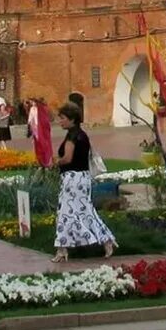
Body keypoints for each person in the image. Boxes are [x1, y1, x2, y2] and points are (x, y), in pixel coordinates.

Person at [52, 102, 116, 261]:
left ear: (72, 119)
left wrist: (53, 162)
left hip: (72, 179)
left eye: (63, 118)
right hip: (83, 178)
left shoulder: (72, 136)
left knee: (65, 213)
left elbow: (67, 158)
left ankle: (62, 249)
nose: (60, 121)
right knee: (85, 211)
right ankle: (105, 240)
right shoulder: (82, 134)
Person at [29, 97, 54, 168]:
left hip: (41, 129)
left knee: (43, 144)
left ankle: (45, 161)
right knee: (38, 143)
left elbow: (45, 121)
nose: (32, 103)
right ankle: (42, 160)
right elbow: (31, 118)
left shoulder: (41, 109)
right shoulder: (34, 109)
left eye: (33, 102)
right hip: (37, 128)